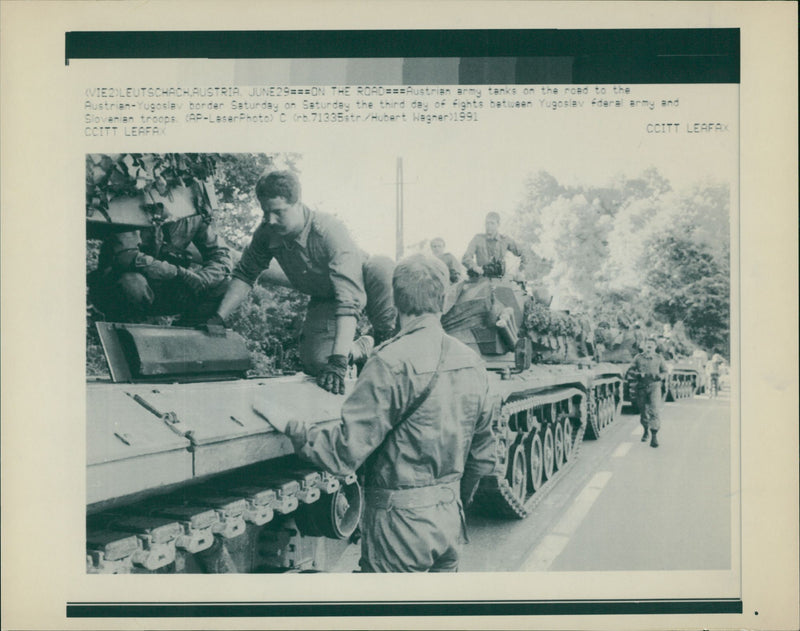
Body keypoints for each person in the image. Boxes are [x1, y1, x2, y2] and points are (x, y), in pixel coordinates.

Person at [255, 254, 497, 572]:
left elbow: (344, 452)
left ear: (396, 300)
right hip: (450, 520)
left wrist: (295, 427)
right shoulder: (472, 362)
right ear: (443, 299)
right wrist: (452, 501)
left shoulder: (390, 361)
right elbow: (482, 457)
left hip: (400, 528)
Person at [210, 170, 396, 394]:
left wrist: (339, 362)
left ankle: (385, 338)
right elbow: (245, 274)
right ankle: (361, 349)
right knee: (318, 363)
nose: (271, 220)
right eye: (265, 212)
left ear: (297, 203)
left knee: (382, 267)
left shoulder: (329, 230)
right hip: (326, 296)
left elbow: (348, 300)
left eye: (279, 212)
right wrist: (219, 317)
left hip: (363, 284)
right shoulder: (266, 233)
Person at [89, 214, 232, 324]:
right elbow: (124, 256)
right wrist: (177, 272)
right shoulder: (130, 196)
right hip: (115, 288)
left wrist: (203, 279)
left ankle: (183, 342)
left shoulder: (192, 211)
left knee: (222, 286)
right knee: (132, 283)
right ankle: (127, 341)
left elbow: (221, 256)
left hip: (164, 290)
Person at [461, 211, 527, 278]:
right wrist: (475, 268)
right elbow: (466, 258)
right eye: (487, 223)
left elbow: (524, 252)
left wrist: (521, 270)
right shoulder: (478, 239)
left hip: (500, 280)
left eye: (492, 223)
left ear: (498, 224)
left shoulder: (504, 240)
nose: (489, 226)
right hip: (481, 279)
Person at [630, 337, 669, 447]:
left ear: (655, 347)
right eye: (647, 344)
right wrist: (637, 375)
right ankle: (646, 430)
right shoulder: (638, 358)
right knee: (643, 412)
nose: (649, 346)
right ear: (644, 346)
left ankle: (654, 436)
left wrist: (660, 377)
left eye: (652, 344)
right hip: (641, 386)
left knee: (654, 411)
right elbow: (631, 370)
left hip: (654, 386)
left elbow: (665, 371)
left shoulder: (659, 358)